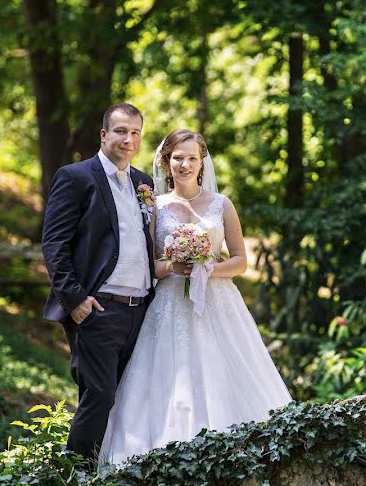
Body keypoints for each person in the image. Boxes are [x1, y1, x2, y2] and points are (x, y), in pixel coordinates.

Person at [99, 129, 291, 466]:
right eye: (177, 158)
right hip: (171, 303)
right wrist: (175, 266)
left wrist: (206, 269)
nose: (184, 164)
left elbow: (240, 262)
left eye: (191, 158)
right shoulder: (155, 207)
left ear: (202, 162)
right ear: (166, 162)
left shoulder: (222, 204)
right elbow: (150, 266)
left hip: (218, 302)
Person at [41, 103, 156, 462]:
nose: (129, 139)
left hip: (140, 310)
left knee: (128, 398)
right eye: (121, 131)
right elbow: (54, 243)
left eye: (135, 133)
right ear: (104, 135)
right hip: (98, 308)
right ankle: (73, 481)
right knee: (100, 395)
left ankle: (113, 477)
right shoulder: (76, 177)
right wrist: (75, 299)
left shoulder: (144, 183)